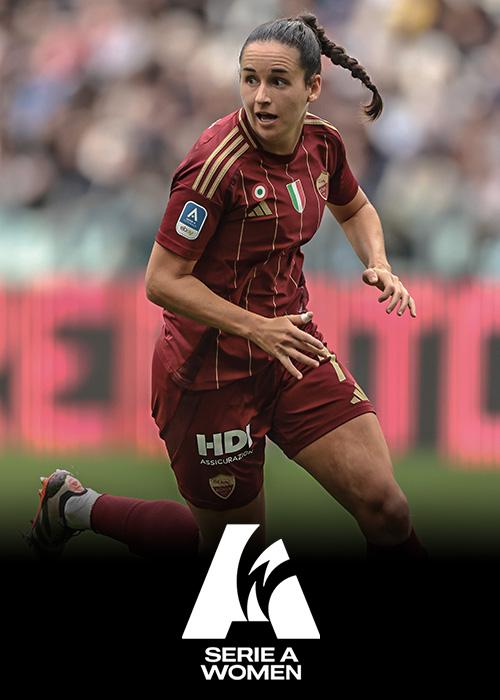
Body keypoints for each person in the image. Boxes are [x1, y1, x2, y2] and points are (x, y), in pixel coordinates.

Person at [28, 13, 426, 560]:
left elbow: (354, 207)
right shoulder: (214, 166)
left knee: (387, 508)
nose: (260, 96)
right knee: (235, 559)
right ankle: (76, 507)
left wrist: (379, 262)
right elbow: (161, 280)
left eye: (278, 81)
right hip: (210, 376)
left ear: (313, 87)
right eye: (249, 79)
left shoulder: (323, 142)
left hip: (291, 352)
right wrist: (257, 328)